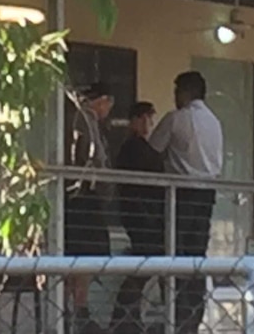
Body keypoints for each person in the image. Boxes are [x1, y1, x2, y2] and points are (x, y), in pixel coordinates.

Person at [149, 71, 223, 334]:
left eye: (177, 90)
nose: (174, 96)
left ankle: (175, 315)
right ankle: (193, 317)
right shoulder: (215, 122)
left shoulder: (176, 119)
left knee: (173, 254)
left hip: (179, 194)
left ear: (186, 92)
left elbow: (152, 151)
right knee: (196, 257)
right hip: (207, 194)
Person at [64, 82, 115, 334]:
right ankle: (76, 313)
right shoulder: (83, 118)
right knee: (82, 256)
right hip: (83, 197)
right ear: (101, 100)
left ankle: (77, 311)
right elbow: (88, 156)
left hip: (86, 196)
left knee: (84, 258)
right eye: (109, 102)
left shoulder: (86, 119)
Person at [111, 102, 165, 334]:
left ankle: (127, 316)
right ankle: (123, 316)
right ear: (133, 120)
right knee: (147, 262)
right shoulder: (131, 147)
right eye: (142, 118)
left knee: (149, 263)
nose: (146, 124)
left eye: (149, 119)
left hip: (147, 212)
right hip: (140, 213)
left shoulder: (141, 146)